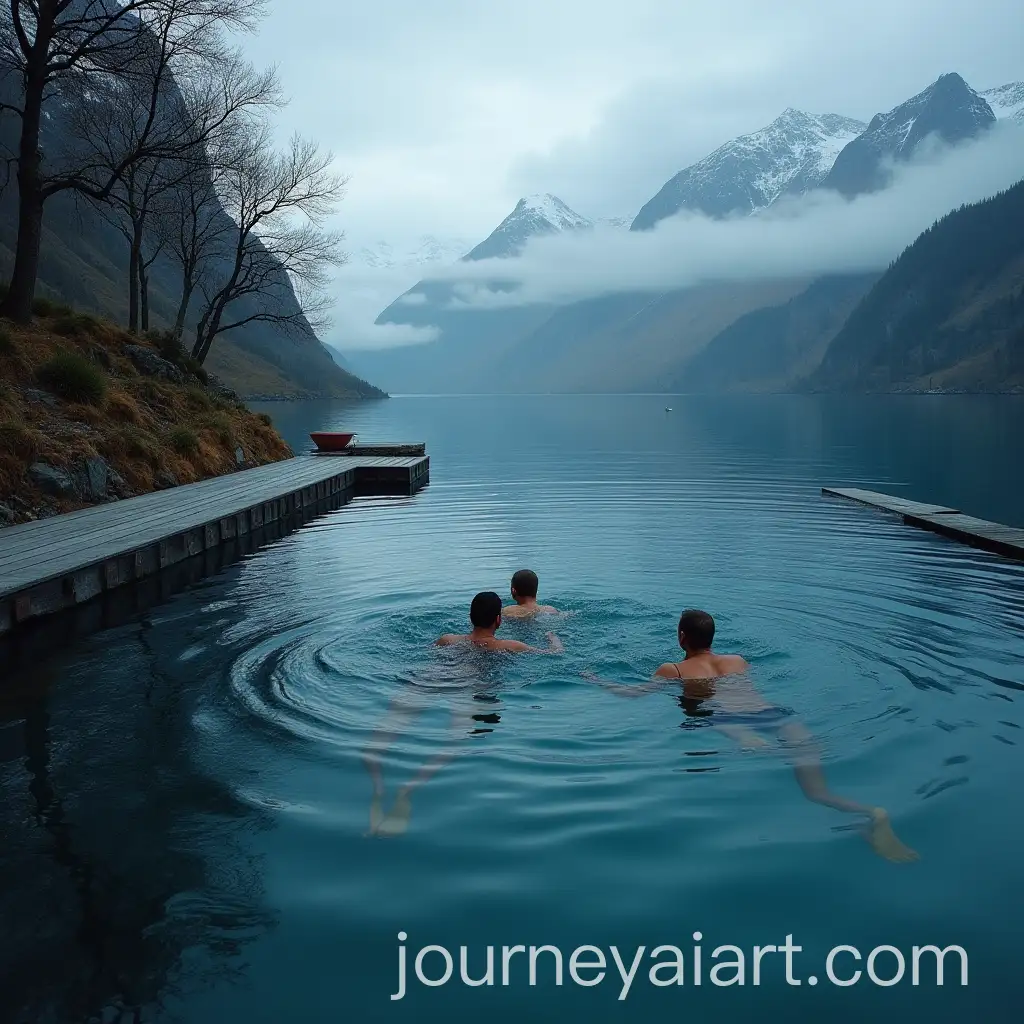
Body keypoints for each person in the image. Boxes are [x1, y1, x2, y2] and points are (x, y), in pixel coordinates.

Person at [584, 609, 919, 864]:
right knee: (817, 792)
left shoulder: (673, 669)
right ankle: (869, 814)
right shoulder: (738, 661)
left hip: (729, 720)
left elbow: (632, 694)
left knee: (703, 714)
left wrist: (596, 679)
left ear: (681, 637)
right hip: (777, 715)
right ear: (712, 636)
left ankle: (750, 742)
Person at [438, 590, 563, 652]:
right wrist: (552, 638)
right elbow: (554, 653)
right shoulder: (513, 646)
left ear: (470, 617)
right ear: (498, 620)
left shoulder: (446, 640)